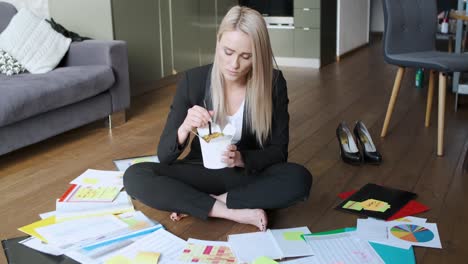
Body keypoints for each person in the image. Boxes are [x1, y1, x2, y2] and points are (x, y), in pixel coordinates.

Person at [123, 5, 312, 231]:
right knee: (135, 176)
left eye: (246, 56)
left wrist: (241, 158)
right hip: (200, 170)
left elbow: (279, 152)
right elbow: (164, 156)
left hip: (244, 175)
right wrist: (185, 126)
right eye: (228, 52)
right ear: (218, 42)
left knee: (299, 178)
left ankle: (205, 201)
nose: (234, 65)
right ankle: (232, 211)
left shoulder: (273, 83)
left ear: (258, 55)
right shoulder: (193, 80)